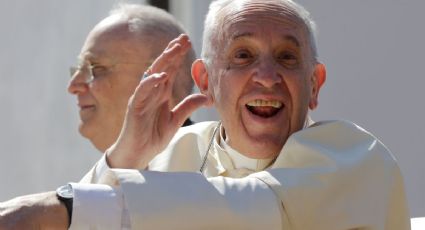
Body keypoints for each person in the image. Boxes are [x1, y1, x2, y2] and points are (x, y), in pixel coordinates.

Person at [0, 0, 410, 229]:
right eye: (243, 56)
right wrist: (125, 154)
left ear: (315, 85)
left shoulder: (354, 157)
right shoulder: (177, 151)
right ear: (206, 82)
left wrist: (63, 207)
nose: (266, 77)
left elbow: (256, 210)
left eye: (287, 58)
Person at [68, 3, 195, 152]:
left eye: (96, 68)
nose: (73, 85)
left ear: (161, 79)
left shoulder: (213, 170)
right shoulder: (109, 173)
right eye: (78, 69)